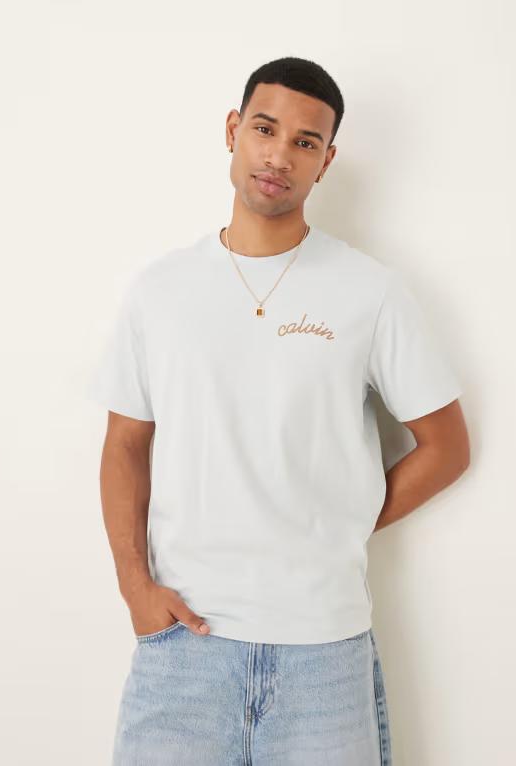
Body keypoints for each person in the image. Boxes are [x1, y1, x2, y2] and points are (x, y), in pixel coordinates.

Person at [87, 56, 470, 766]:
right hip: (184, 644)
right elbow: (125, 445)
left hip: (323, 649)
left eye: (305, 142)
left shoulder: (369, 292)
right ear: (233, 130)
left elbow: (446, 446)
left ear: (326, 162)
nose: (279, 155)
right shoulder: (160, 291)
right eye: (265, 130)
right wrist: (135, 586)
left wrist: (340, 515)